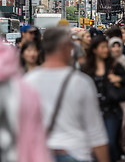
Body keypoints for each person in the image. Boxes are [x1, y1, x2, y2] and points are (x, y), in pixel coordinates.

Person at [25, 27, 110, 162]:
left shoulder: (27, 82)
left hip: (40, 153)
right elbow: (96, 133)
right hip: (76, 152)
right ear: (65, 47)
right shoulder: (81, 83)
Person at [82, 35, 125, 162]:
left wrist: (118, 78)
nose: (105, 50)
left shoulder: (113, 65)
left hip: (111, 111)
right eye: (102, 47)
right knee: (93, 145)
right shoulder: (87, 67)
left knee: (110, 142)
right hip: (92, 112)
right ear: (94, 49)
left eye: (106, 47)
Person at [0, 41, 50, 162]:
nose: (32, 54)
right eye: (28, 50)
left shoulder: (29, 83)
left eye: (34, 50)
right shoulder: (23, 87)